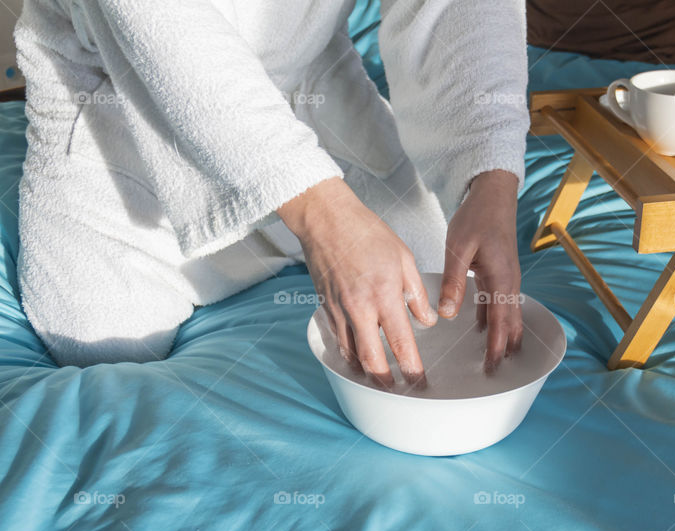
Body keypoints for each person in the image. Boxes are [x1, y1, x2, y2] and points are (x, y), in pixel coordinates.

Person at [14, 0, 529, 385]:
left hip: (308, 85)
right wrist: (321, 214)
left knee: (431, 288)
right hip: (120, 88)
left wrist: (489, 178)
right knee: (100, 337)